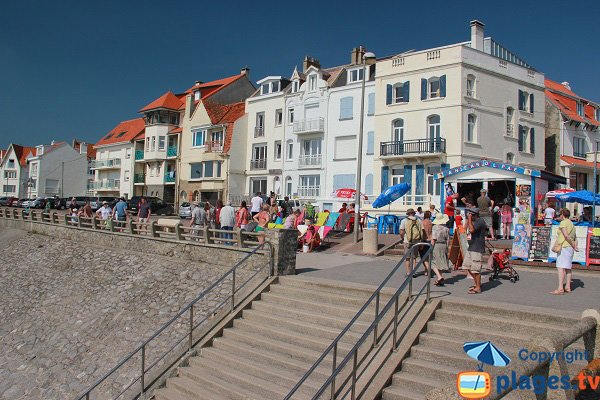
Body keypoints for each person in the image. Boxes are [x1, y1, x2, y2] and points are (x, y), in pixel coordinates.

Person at [551, 208, 577, 295]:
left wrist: (572, 244)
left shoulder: (563, 223)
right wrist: (574, 245)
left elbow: (566, 236)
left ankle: (560, 288)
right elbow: (575, 238)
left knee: (560, 267)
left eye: (560, 214)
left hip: (564, 246)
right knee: (568, 268)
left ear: (562, 215)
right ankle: (568, 287)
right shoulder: (572, 224)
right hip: (569, 248)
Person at [464, 208, 487, 294]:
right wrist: (468, 220)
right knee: (467, 266)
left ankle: (478, 287)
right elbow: (465, 229)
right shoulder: (473, 221)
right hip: (471, 247)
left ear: (474, 215)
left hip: (477, 248)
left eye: (470, 215)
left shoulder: (480, 221)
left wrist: (469, 219)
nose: (469, 216)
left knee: (475, 269)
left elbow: (472, 230)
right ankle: (477, 283)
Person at [400, 208, 429, 277]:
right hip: (417, 241)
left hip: (407, 241)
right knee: (414, 257)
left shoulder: (404, 220)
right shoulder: (418, 220)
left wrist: (402, 237)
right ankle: (414, 271)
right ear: (413, 213)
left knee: (407, 258)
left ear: (407, 214)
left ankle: (408, 272)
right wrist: (421, 241)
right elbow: (422, 231)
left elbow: (401, 231)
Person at [431, 213, 450, 286]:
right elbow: (448, 239)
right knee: (441, 262)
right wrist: (447, 247)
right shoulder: (446, 228)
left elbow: (434, 238)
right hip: (444, 245)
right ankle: (439, 278)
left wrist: (431, 247)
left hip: (437, 245)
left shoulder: (435, 227)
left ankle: (439, 277)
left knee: (433, 262)